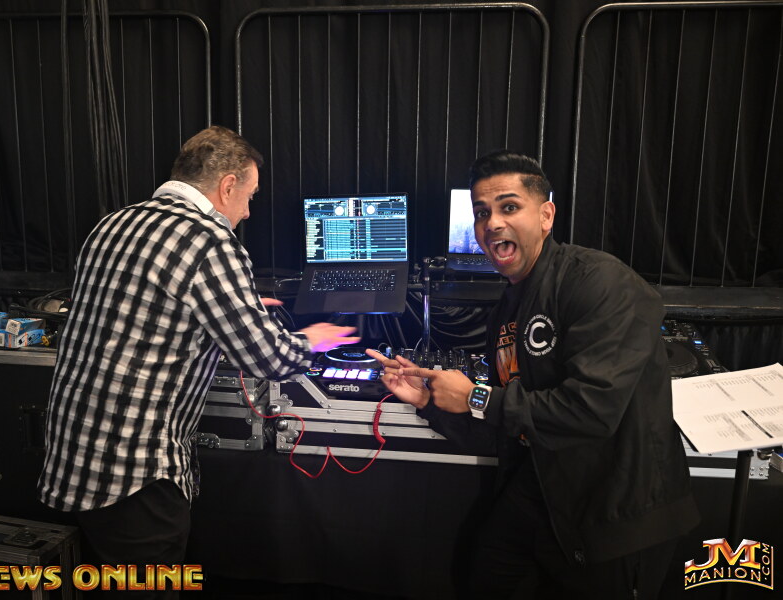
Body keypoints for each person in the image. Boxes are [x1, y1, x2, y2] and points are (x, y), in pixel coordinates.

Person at [38, 125, 359, 594]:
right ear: (227, 185)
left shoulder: (113, 224)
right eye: (249, 196)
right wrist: (313, 339)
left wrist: (235, 306)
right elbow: (268, 358)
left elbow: (143, 305)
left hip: (73, 456)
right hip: (136, 474)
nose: (247, 211)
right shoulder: (209, 240)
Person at [367, 150, 698, 599]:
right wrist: (429, 401)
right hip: (538, 489)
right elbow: (506, 423)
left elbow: (591, 412)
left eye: (509, 207)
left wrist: (475, 397)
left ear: (546, 216)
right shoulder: (507, 308)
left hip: (614, 512)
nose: (492, 223)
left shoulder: (601, 282)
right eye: (482, 213)